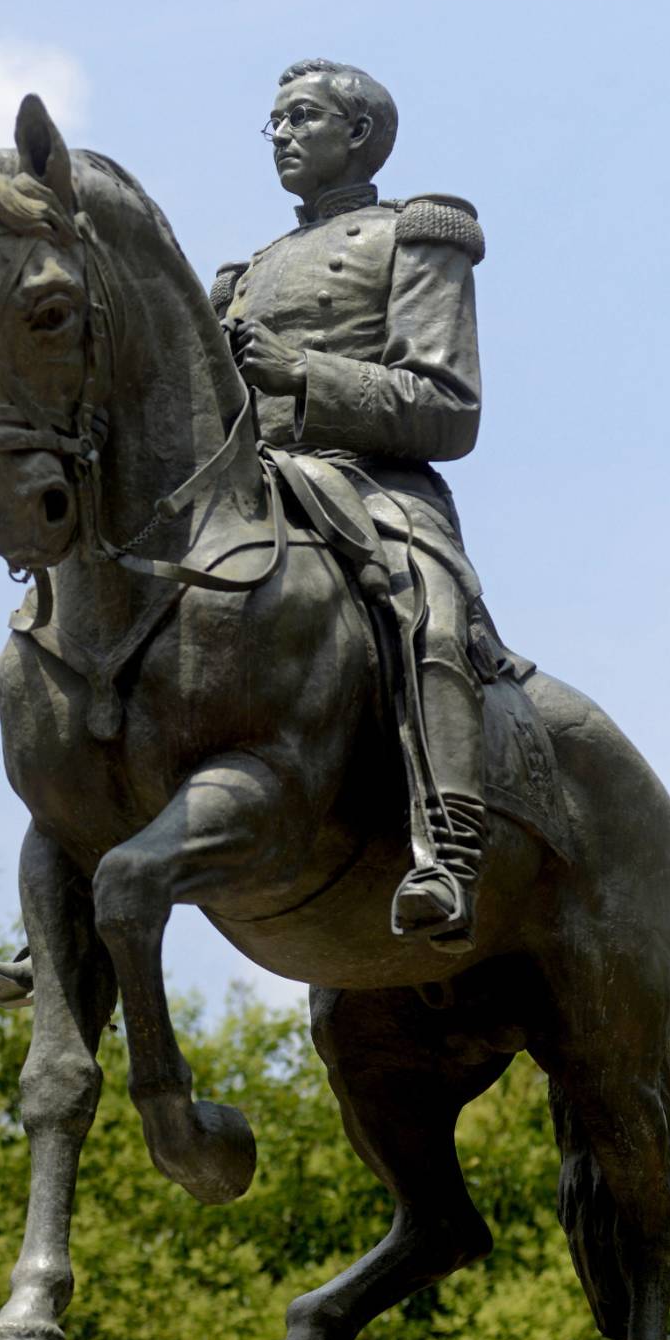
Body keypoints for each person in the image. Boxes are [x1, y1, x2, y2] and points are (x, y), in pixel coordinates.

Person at [211, 57, 491, 951]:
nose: (283, 136)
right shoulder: (242, 274)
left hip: (375, 485)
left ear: (359, 133)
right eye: (276, 122)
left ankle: (449, 845)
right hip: (254, 491)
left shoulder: (418, 234)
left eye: (301, 117)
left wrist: (301, 374)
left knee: (431, 616)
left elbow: (448, 409)